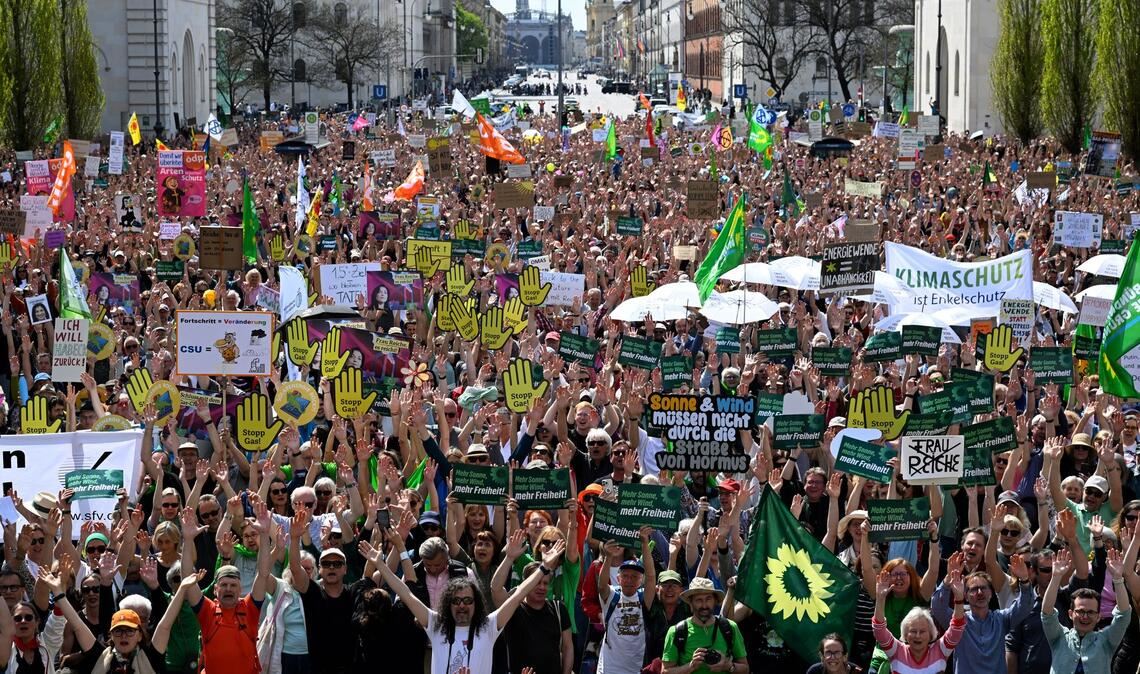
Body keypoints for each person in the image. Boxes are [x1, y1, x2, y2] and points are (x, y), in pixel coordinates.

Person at [362, 534, 566, 674]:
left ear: (476, 603)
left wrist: (544, 568)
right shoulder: (437, 625)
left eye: (468, 600)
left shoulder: (488, 627)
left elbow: (518, 595)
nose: (462, 606)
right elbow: (405, 593)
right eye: (456, 601)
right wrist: (380, 564)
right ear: (447, 604)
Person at [1041, 542, 1132, 674]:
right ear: (1071, 613)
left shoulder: (1106, 640)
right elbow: (1047, 613)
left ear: (1098, 616)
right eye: (1080, 611)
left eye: (1090, 612)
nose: (1085, 617)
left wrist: (1117, 578)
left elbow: (1123, 615)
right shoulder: (1059, 637)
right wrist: (1055, 578)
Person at [873, 567, 966, 674]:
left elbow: (957, 628)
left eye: (922, 631)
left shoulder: (940, 650)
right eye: (913, 631)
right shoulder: (896, 650)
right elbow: (879, 630)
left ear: (931, 634)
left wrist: (959, 598)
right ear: (905, 634)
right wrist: (880, 599)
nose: (917, 636)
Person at [596, 528, 657, 674]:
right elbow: (601, 585)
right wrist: (608, 557)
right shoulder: (612, 594)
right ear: (618, 579)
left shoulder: (644, 597)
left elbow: (651, 577)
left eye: (634, 577)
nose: (629, 580)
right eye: (625, 576)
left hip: (636, 667)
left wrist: (644, 543)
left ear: (640, 580)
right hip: (609, 668)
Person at [661, 577, 748, 674]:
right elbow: (665, 671)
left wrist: (728, 666)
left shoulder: (729, 627)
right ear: (690, 603)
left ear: (715, 601)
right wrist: (691, 666)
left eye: (708, 599)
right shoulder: (676, 632)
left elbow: (745, 669)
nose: (704, 605)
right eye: (698, 600)